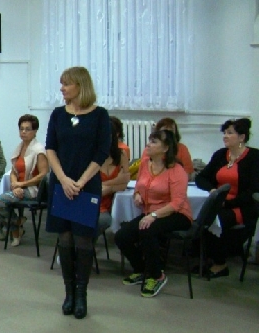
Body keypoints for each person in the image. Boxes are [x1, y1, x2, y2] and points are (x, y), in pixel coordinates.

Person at [45, 66, 110, 319]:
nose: (62, 88)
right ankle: (69, 293)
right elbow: (51, 148)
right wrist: (63, 179)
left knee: (83, 238)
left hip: (87, 184)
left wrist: (80, 182)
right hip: (61, 184)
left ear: (80, 86)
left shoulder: (100, 115)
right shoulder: (58, 114)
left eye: (66, 84)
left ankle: (82, 294)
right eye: (61, 84)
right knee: (65, 238)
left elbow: (101, 152)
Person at [115, 130, 192, 297]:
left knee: (147, 230)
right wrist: (137, 194)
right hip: (151, 212)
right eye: (150, 140)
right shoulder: (145, 164)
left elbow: (177, 203)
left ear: (165, 148)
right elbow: (139, 185)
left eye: (154, 142)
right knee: (122, 236)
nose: (148, 144)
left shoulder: (176, 170)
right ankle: (142, 269)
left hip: (176, 214)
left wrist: (154, 216)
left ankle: (157, 275)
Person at [194, 118, 259, 278]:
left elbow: (252, 191)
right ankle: (208, 258)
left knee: (215, 218)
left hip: (241, 206)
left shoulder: (254, 157)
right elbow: (201, 177)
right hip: (219, 202)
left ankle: (220, 264)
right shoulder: (221, 154)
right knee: (201, 216)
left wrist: (226, 203)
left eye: (229, 133)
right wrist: (213, 190)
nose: (225, 136)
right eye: (224, 132)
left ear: (241, 137)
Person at [0, 114, 49, 246]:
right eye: (21, 129)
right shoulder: (20, 147)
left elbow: (43, 175)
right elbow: (14, 171)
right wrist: (15, 184)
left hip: (33, 190)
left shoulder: (39, 150)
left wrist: (22, 184)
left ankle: (16, 226)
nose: (23, 132)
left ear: (35, 131)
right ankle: (17, 224)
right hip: (19, 187)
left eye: (27, 129)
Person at [98, 124, 131, 236]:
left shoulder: (121, 154)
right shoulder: (90, 156)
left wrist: (108, 188)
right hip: (94, 201)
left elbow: (125, 183)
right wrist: (117, 180)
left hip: (113, 201)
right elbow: (92, 188)